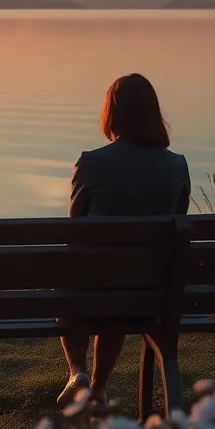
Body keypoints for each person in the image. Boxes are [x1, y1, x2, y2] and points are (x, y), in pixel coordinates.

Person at [57, 73, 191, 407]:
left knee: (73, 287)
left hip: (94, 289)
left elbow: (76, 230)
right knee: (119, 292)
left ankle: (78, 372)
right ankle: (99, 389)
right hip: (150, 294)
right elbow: (179, 225)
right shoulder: (177, 167)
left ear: (111, 114)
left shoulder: (91, 163)